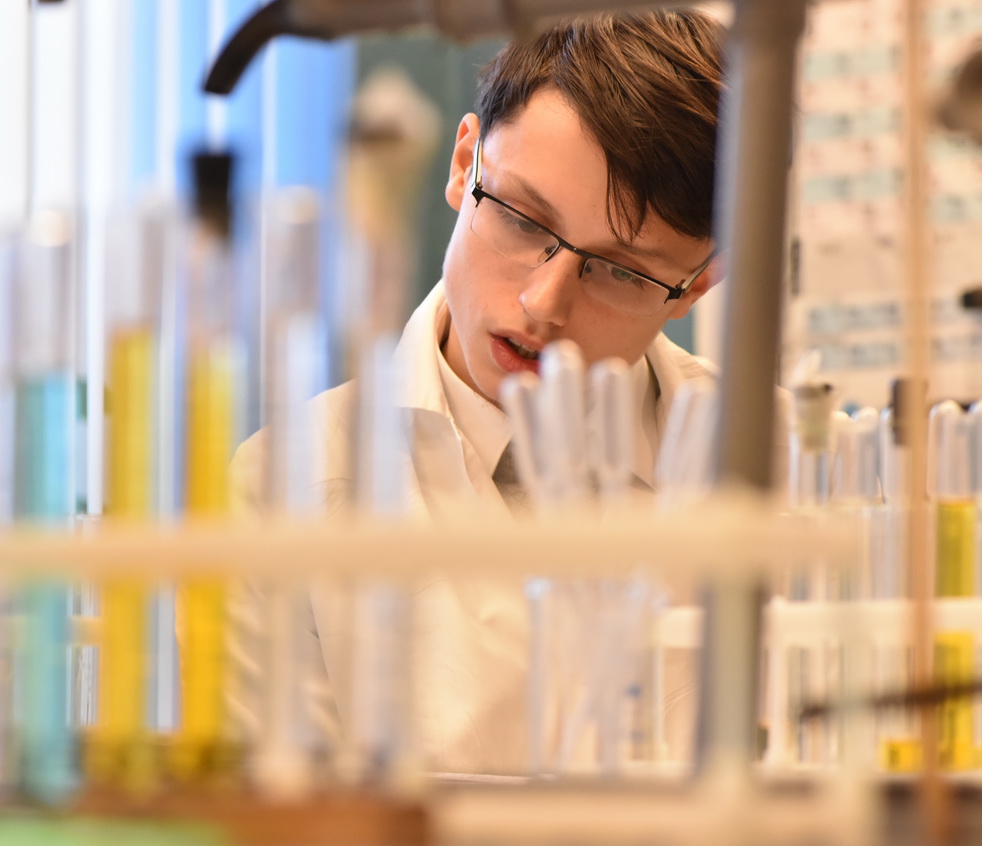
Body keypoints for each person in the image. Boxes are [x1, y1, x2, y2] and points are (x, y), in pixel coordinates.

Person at [232, 9, 777, 774]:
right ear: (465, 165)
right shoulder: (284, 483)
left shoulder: (774, 460)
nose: (543, 303)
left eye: (619, 270)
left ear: (695, 286)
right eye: (523, 219)